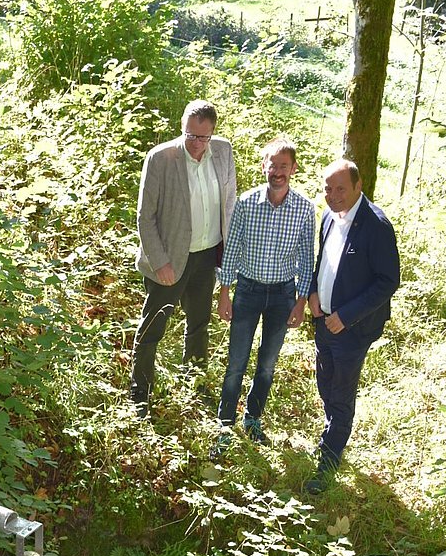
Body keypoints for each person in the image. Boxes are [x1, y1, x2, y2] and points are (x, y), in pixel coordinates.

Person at [130, 99, 237, 417]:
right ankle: (140, 397)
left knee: (199, 324)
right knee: (152, 329)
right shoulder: (161, 158)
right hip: (169, 260)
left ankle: (195, 386)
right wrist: (160, 261)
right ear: (182, 129)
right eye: (191, 135)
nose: (197, 144)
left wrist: (229, 254)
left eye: (203, 137)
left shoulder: (223, 151)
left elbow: (229, 202)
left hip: (207, 255)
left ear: (213, 133)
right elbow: (144, 216)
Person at [214, 137, 314, 452]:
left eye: (284, 165)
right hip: (248, 291)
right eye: (273, 164)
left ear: (293, 169)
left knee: (267, 364)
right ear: (264, 167)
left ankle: (253, 419)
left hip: (283, 295)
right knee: (236, 362)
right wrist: (224, 292)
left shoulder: (304, 209)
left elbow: (306, 259)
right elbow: (231, 250)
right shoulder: (245, 203)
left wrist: (300, 302)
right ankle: (225, 426)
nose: (278, 171)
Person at [306, 158, 401, 494]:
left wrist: (346, 316)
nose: (333, 196)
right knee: (326, 382)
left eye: (341, 188)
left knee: (342, 392)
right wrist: (313, 292)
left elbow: (388, 280)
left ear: (358, 186)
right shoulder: (329, 217)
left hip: (352, 327)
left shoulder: (376, 225)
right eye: (328, 189)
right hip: (323, 320)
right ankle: (334, 430)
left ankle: (327, 463)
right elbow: (324, 261)